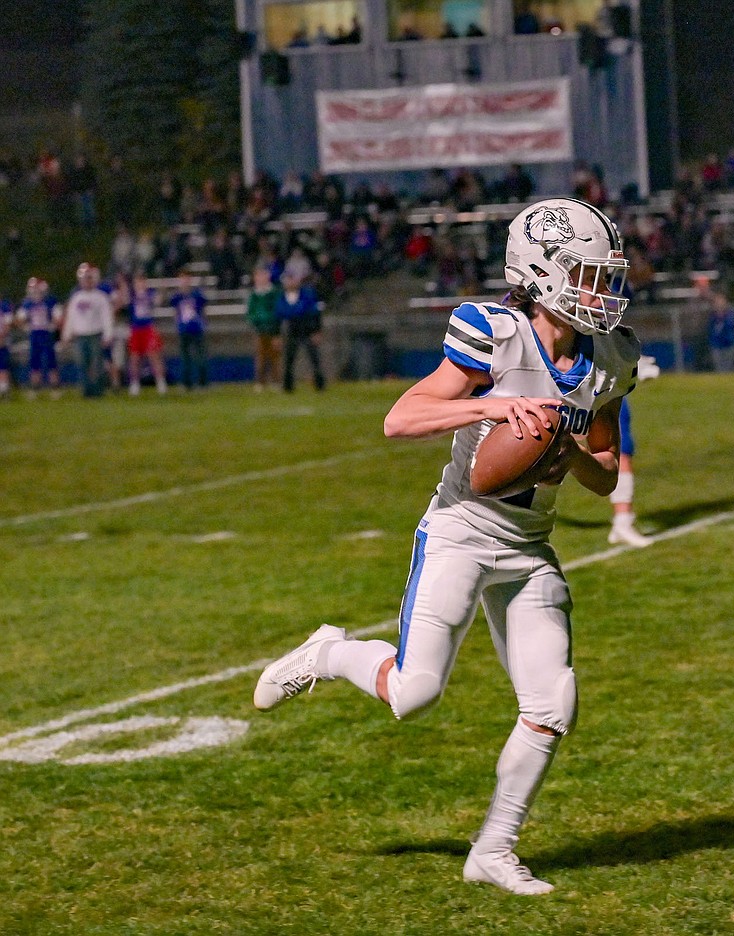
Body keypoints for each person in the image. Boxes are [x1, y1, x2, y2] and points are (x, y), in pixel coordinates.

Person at [253, 197, 641, 896]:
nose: (600, 292)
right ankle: (330, 652)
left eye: (605, 277)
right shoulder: (492, 330)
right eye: (586, 275)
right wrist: (492, 405)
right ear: (541, 273)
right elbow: (400, 419)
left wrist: (565, 454)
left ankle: (494, 850)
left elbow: (607, 471)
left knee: (554, 702)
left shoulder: (612, 355)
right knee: (414, 694)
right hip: (461, 530)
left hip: (529, 544)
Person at [608, 355, 659, 547]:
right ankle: (622, 521)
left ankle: (622, 519)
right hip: (586, 379)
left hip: (597, 379)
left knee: (621, 445)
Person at [61, 263, 115, 399]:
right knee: (82, 364)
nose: (87, 282)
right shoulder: (76, 297)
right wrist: (66, 334)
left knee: (96, 365)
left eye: (89, 279)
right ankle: (86, 390)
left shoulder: (101, 297)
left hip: (95, 334)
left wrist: (108, 334)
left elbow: (106, 317)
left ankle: (97, 391)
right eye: (85, 279)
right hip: (80, 335)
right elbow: (71, 317)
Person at [277, 270, 326, 392]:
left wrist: (317, 330)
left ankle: (320, 384)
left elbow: (315, 313)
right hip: (292, 330)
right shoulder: (282, 296)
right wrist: (277, 334)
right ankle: (288, 386)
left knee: (314, 358)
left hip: (307, 329)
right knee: (289, 359)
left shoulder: (307, 293)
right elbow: (278, 315)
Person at [17, 277, 62, 399]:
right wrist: (26, 326)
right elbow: (19, 319)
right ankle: (35, 388)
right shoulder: (28, 303)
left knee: (51, 361)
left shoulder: (50, 301)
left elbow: (58, 318)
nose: (35, 293)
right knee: (34, 361)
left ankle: (55, 387)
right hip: (34, 334)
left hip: (47, 334)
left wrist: (52, 325)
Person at [126, 272, 168, 395]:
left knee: (154, 355)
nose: (140, 285)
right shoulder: (132, 295)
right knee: (135, 357)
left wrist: (163, 289)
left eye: (142, 282)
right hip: (135, 329)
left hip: (148, 328)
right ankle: (134, 383)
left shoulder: (150, 293)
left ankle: (161, 382)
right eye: (137, 282)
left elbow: (158, 301)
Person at [169, 269, 209, 391]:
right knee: (185, 358)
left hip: (196, 328)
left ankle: (202, 382)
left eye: (186, 278)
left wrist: (204, 323)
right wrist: (177, 325)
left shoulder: (196, 294)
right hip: (184, 329)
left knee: (200, 356)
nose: (184, 281)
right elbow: (175, 312)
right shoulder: (177, 296)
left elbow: (203, 310)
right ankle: (187, 383)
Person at [246, 266, 281, 391]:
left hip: (273, 329)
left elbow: (277, 311)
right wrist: (257, 322)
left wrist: (276, 330)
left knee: (274, 356)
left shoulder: (273, 293)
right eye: (258, 276)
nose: (260, 279)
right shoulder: (254, 295)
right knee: (260, 357)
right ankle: (260, 382)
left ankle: (276, 381)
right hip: (259, 329)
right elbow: (250, 313)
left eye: (263, 275)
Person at [706, 288, 734, 372]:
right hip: (716, 344)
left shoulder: (730, 312)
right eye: (717, 301)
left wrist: (722, 317)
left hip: (729, 343)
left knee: (729, 367)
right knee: (719, 368)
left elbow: (731, 325)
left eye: (721, 300)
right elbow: (710, 328)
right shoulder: (712, 314)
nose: (719, 302)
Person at [0, 297, 13, 399]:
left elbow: (8, 324)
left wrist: (2, 337)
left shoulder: (4, 306)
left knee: (3, 366)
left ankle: (4, 391)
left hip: (2, 340)